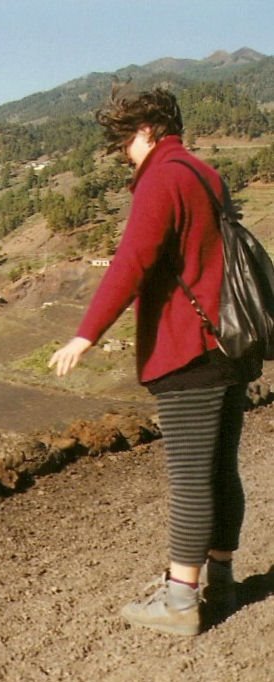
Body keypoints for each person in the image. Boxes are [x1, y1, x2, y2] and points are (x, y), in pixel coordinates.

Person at [47, 85, 261, 636]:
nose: (125, 154)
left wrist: (85, 335)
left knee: (190, 479)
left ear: (145, 130)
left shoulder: (162, 177)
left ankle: (180, 603)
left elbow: (132, 261)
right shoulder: (204, 173)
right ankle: (223, 582)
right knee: (219, 471)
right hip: (229, 345)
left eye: (124, 142)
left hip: (186, 350)